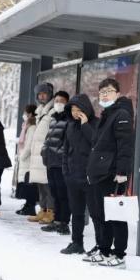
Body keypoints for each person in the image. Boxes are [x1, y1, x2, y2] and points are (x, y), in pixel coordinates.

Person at [85, 78, 134, 268]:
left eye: (108, 91)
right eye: (102, 91)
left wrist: (122, 171)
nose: (104, 94)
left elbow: (125, 146)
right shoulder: (107, 114)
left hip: (113, 174)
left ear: (118, 93)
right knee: (101, 214)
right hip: (99, 172)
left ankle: (119, 254)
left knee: (116, 215)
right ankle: (104, 249)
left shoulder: (121, 114)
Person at [61, 93, 100, 255]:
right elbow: (66, 149)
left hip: (90, 178)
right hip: (73, 177)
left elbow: (96, 143)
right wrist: (65, 170)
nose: (75, 112)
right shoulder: (70, 125)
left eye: (78, 109)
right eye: (72, 109)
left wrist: (85, 125)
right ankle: (77, 242)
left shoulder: (96, 123)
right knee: (76, 212)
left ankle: (100, 245)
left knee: (96, 213)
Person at [40, 91, 71, 235]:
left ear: (67, 103)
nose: (58, 103)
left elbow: (68, 142)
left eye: (61, 101)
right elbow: (48, 138)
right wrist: (44, 152)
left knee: (63, 193)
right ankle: (56, 220)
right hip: (50, 162)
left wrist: (59, 153)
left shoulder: (69, 119)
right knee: (54, 193)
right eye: (56, 100)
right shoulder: (53, 119)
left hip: (61, 162)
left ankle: (64, 222)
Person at [27, 82, 56, 224]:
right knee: (40, 184)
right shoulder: (40, 111)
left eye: (44, 93)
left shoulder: (53, 110)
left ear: (50, 94)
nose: (42, 96)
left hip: (46, 154)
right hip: (38, 155)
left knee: (48, 185)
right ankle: (42, 210)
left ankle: (51, 212)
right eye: (39, 94)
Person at [15, 104, 39, 216]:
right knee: (26, 184)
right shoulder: (27, 126)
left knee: (29, 185)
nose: (24, 115)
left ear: (30, 114)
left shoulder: (32, 127)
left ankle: (30, 206)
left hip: (28, 159)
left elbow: (29, 145)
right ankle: (28, 205)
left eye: (25, 113)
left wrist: (22, 156)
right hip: (25, 159)